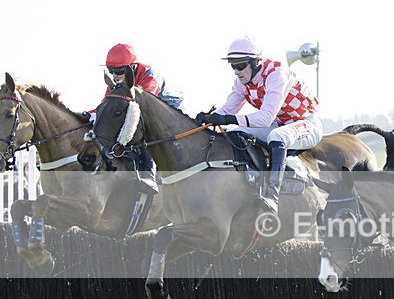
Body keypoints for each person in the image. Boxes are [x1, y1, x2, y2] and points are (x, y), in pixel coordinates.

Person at [196, 37, 321, 215]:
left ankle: (272, 195)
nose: (236, 71)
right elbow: (227, 110)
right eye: (233, 66)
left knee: (277, 136)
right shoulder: (241, 82)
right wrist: (208, 118)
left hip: (306, 123)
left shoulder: (276, 75)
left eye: (240, 65)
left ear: (256, 63)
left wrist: (228, 118)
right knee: (235, 131)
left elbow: (265, 118)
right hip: (279, 124)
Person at [95, 44, 183, 194]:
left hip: (167, 103)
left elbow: (143, 100)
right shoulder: (117, 85)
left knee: (145, 126)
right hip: (140, 102)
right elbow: (106, 106)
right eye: (111, 71)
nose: (115, 76)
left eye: (119, 71)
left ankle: (149, 175)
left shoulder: (149, 76)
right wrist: (89, 115)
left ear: (132, 67)